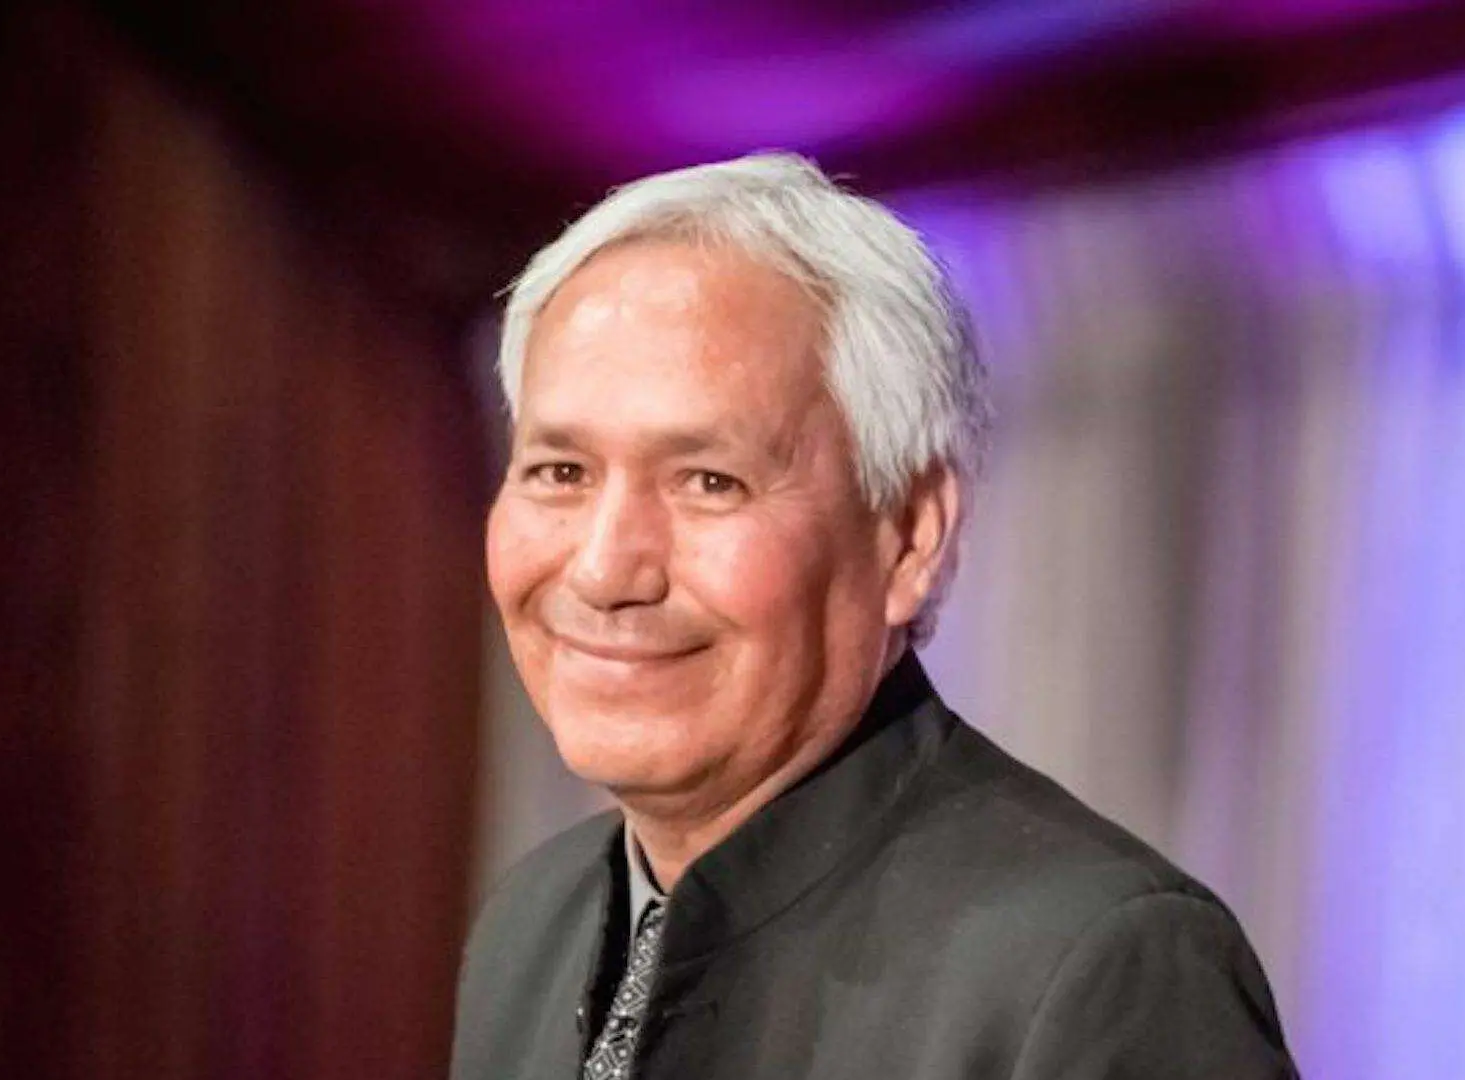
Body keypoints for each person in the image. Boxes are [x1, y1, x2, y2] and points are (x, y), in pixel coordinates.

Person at [453, 152, 1297, 1080]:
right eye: (559, 473)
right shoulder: (534, 921)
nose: (607, 568)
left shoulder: (1101, 967)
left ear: (909, 536)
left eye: (709, 482)